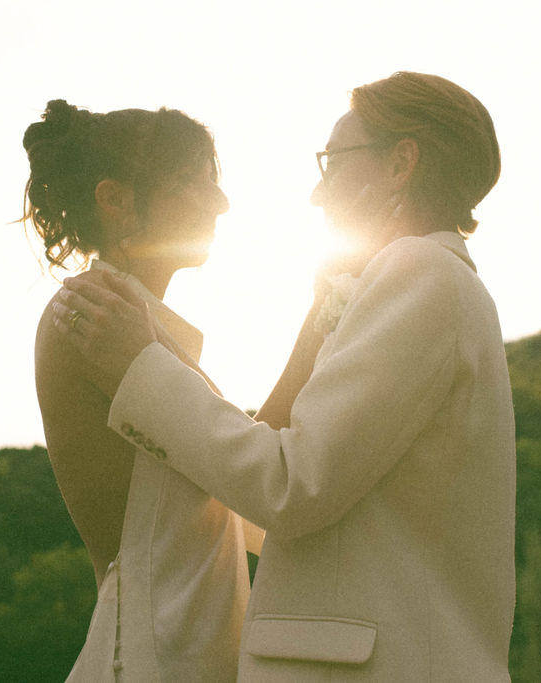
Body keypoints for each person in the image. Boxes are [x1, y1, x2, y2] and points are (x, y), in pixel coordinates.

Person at [51, 72, 516, 681]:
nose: (317, 193)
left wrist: (141, 366)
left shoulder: (420, 270)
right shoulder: (420, 280)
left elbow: (294, 488)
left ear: (402, 163)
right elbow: (282, 506)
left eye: (332, 161)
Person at [23, 99, 257, 682]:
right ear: (116, 199)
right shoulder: (93, 314)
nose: (221, 202)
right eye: (195, 182)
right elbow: (253, 476)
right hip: (154, 659)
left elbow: (253, 472)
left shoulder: (135, 321)